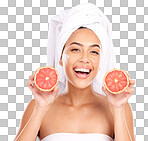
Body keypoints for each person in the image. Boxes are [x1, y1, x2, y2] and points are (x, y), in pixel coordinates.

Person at [14, 3, 136, 141]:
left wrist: (118, 109)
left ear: (101, 61)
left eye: (94, 52)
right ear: (60, 57)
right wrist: (40, 109)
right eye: (75, 49)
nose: (85, 59)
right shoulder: (37, 105)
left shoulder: (118, 107)